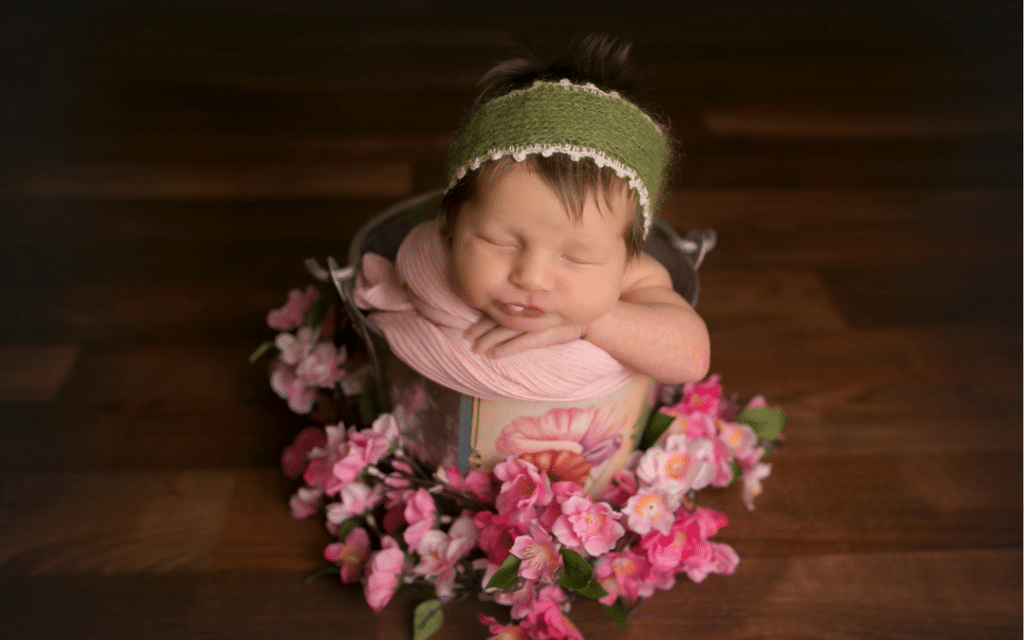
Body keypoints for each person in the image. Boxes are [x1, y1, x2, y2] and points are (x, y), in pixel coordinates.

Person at [355, 35, 709, 395]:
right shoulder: (426, 259)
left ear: (630, 252)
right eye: (501, 242)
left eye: (576, 257)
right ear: (448, 222)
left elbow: (692, 358)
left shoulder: (634, 278)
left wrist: (593, 325)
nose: (533, 278)